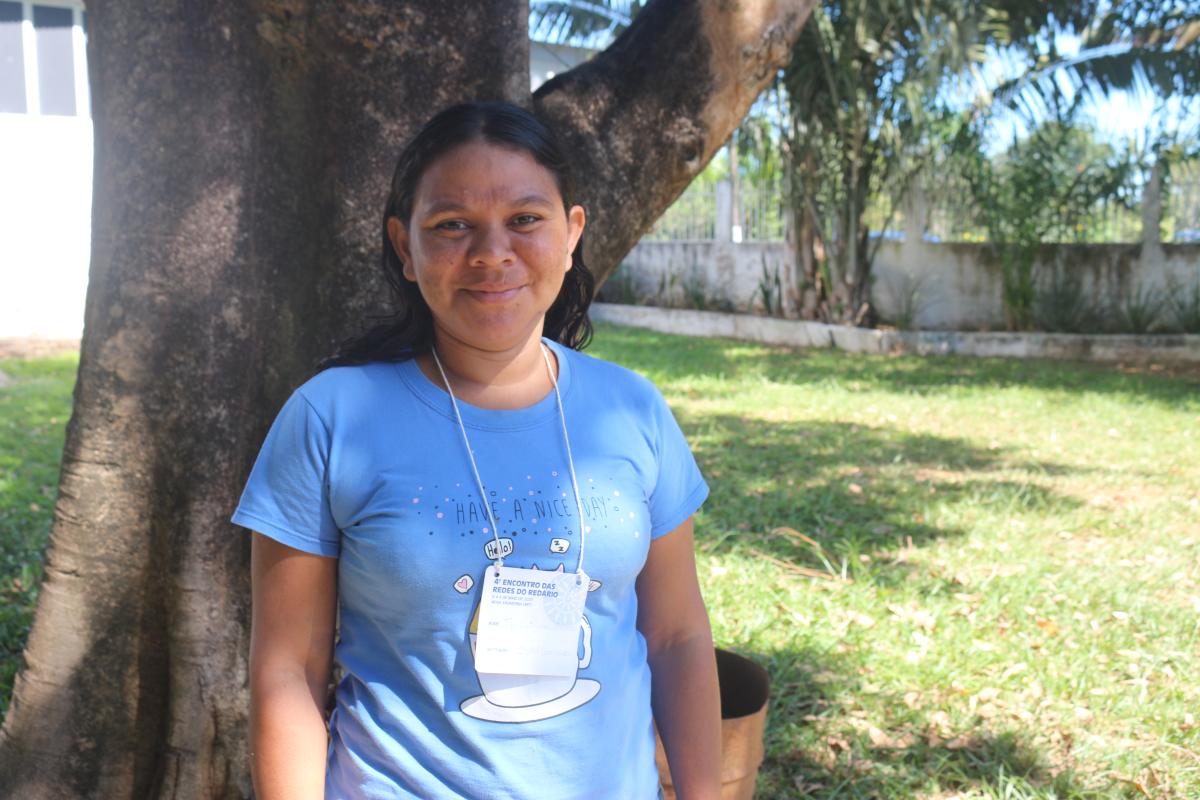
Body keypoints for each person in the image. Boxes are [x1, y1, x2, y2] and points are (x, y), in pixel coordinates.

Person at [233, 101, 721, 800]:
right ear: (405, 248)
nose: (492, 253)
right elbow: (288, 669)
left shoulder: (632, 411)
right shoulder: (330, 418)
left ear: (571, 232)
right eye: (452, 225)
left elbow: (676, 637)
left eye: (525, 220)